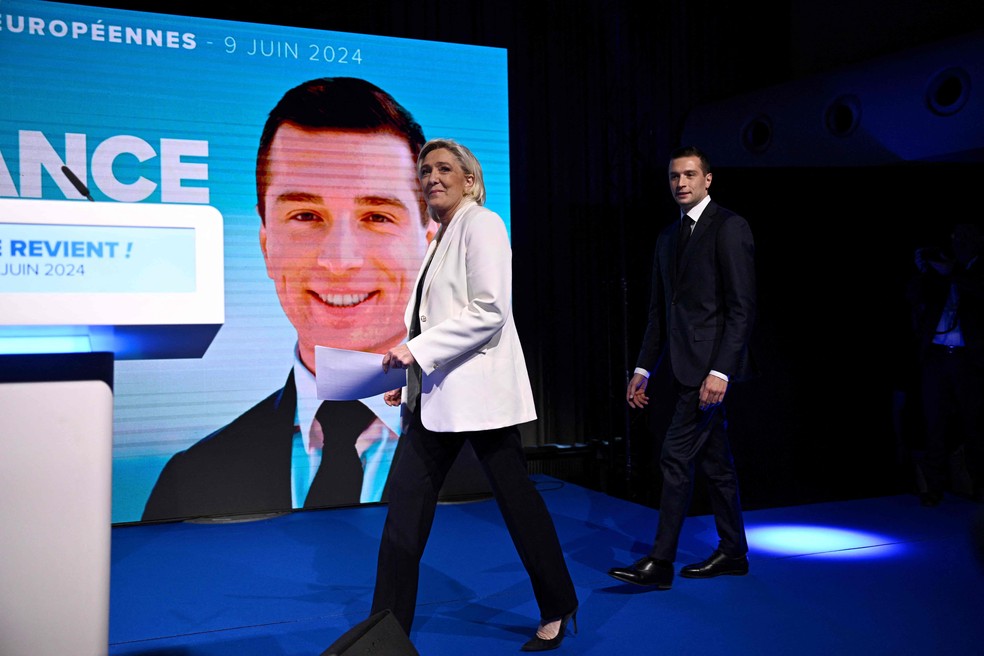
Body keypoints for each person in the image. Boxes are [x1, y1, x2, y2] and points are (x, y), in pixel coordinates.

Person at [142, 77, 437, 521]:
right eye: (305, 215)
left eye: (377, 216)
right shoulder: (190, 479)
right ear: (266, 243)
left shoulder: (486, 456)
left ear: (429, 242)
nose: (340, 261)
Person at [367, 139, 579, 651]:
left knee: (517, 504)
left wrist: (417, 355)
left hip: (480, 398)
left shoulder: (482, 224)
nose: (431, 177)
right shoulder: (439, 237)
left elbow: (489, 311)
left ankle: (558, 604)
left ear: (469, 178)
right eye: (425, 170)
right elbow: (430, 318)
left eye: (443, 168)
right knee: (404, 513)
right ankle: (386, 631)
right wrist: (408, 378)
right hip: (436, 399)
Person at [608, 145, 757, 590]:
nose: (681, 183)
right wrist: (643, 369)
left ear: (707, 179)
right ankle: (733, 551)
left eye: (690, 175)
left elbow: (741, 308)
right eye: (674, 176)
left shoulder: (730, 228)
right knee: (715, 464)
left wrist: (722, 371)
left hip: (710, 373)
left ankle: (659, 562)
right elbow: (661, 312)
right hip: (681, 367)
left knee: (675, 456)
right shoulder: (668, 238)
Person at [908, 223, 984, 506]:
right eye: (954, 237)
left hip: (969, 359)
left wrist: (952, 272)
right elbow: (914, 298)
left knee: (974, 424)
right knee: (934, 423)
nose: (958, 243)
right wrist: (923, 270)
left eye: (965, 237)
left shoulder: (974, 271)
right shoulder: (941, 271)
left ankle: (979, 485)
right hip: (937, 356)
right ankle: (934, 487)